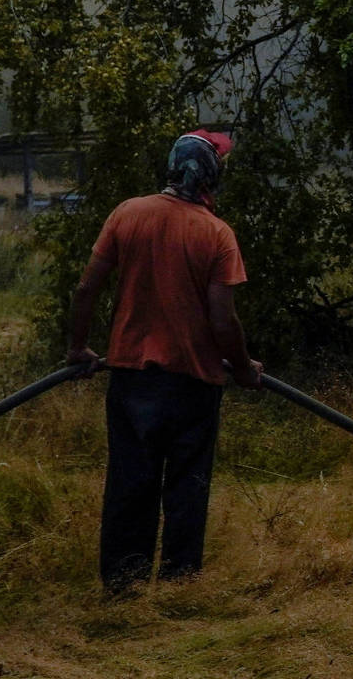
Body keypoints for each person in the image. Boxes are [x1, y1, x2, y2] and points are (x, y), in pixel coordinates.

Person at [65, 130, 260, 590]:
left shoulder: (128, 214)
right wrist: (245, 367)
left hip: (131, 379)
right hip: (194, 383)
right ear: (212, 175)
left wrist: (78, 348)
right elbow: (223, 320)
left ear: (172, 167)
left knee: (130, 484)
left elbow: (86, 289)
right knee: (186, 488)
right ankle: (178, 587)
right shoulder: (216, 234)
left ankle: (122, 586)